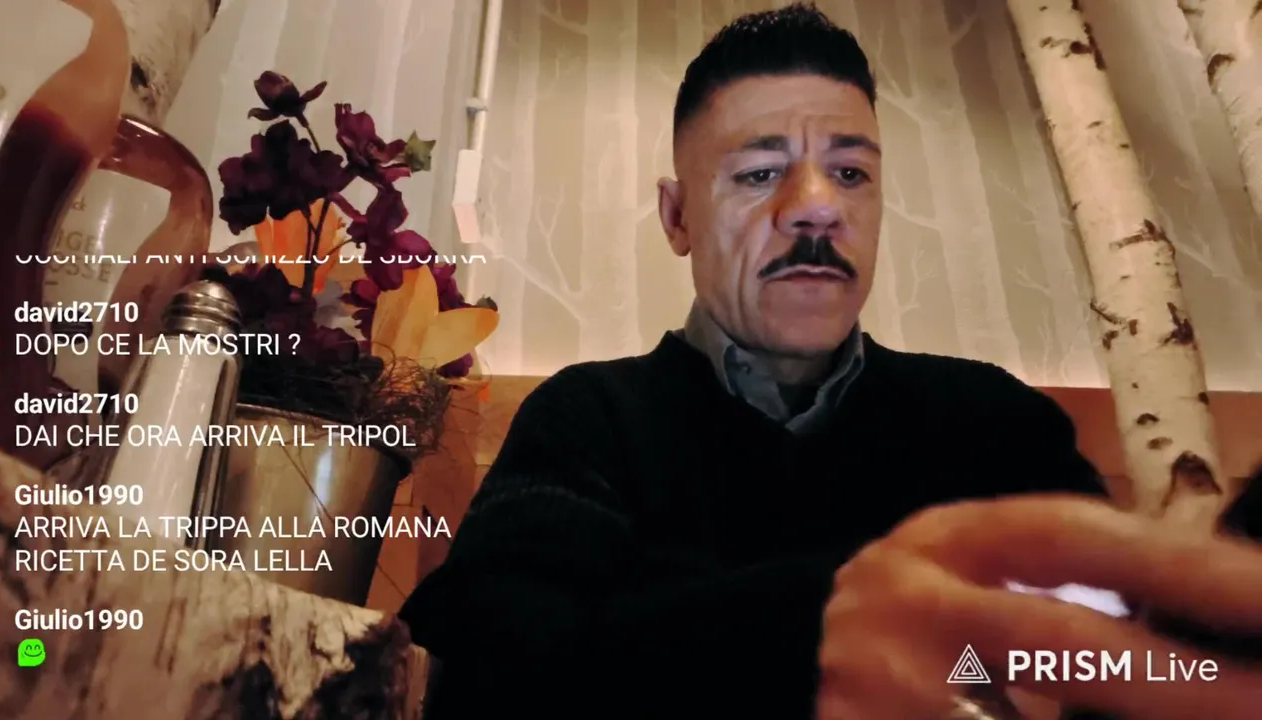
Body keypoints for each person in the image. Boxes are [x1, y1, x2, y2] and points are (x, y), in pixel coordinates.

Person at [400, 4, 1262, 718]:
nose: (817, 209)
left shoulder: (997, 422)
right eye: (758, 173)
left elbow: (1111, 666)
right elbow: (485, 676)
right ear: (677, 216)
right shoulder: (589, 419)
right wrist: (825, 616)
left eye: (850, 174)